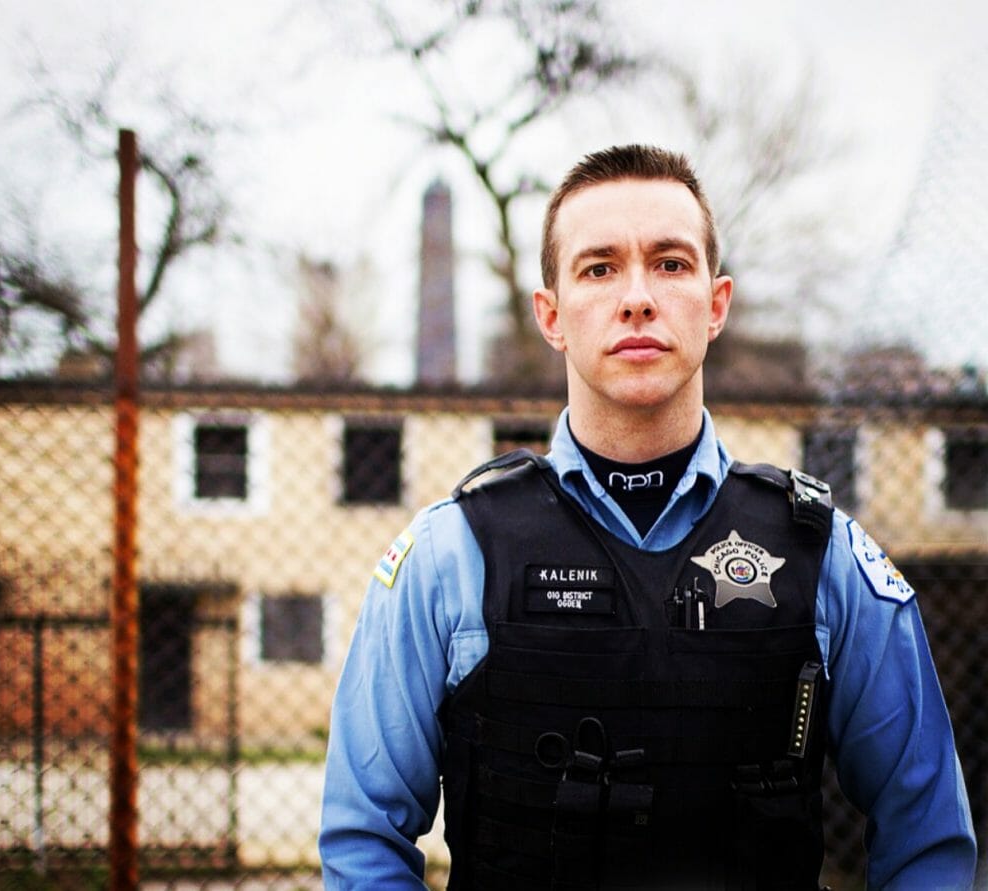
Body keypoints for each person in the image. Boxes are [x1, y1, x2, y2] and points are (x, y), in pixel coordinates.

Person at [319, 145, 976, 890]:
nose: (637, 296)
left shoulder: (824, 557)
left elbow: (927, 840)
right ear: (551, 314)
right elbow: (363, 839)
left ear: (717, 302)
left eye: (670, 263)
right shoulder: (452, 555)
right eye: (599, 268)